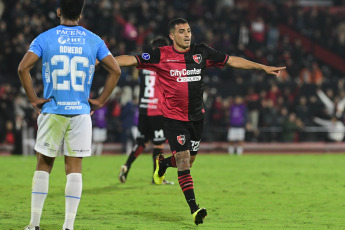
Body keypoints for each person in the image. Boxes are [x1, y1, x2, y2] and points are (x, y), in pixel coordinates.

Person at [114, 18, 285, 225]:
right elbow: (131, 60)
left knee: (188, 162)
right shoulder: (161, 54)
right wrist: (102, 60)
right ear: (172, 36)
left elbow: (231, 60)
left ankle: (163, 163)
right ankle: (195, 209)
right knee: (184, 160)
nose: (187, 34)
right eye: (182, 31)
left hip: (197, 118)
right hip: (173, 119)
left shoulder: (201, 52)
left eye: (189, 31)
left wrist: (262, 67)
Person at [18, 1, 121, 229]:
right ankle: (68, 226)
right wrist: (101, 100)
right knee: (74, 169)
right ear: (81, 13)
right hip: (81, 113)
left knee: (43, 165)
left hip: (53, 111)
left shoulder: (44, 38)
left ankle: (34, 224)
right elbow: (116, 69)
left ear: (58, 12)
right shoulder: (94, 40)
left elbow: (22, 68)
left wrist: (33, 99)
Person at [118, 36, 173, 184]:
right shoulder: (166, 65)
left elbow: (136, 75)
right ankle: (158, 178)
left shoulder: (144, 65)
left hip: (143, 109)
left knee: (141, 142)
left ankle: (126, 165)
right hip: (158, 111)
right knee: (158, 145)